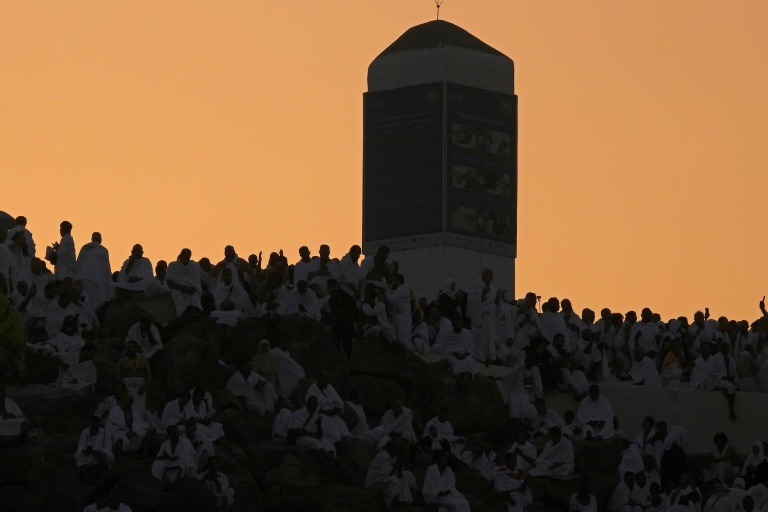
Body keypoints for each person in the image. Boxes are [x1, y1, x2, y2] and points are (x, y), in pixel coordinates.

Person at [365, 441, 416, 506]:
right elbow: (389, 473)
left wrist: (399, 463)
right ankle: (393, 505)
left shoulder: (394, 457)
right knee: (393, 480)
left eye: (397, 448)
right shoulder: (382, 456)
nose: (396, 450)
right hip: (374, 482)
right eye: (394, 448)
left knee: (406, 474)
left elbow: (399, 475)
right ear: (388, 448)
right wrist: (397, 462)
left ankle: (405, 501)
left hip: (384, 479)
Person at [304, 372, 350, 443]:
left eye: (328, 380)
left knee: (341, 425)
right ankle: (336, 441)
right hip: (319, 414)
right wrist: (324, 412)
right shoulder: (312, 390)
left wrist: (336, 410)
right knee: (330, 429)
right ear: (319, 379)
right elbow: (309, 407)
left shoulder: (329, 387)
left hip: (332, 414)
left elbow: (338, 401)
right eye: (324, 380)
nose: (326, 383)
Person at [467, 268, 501, 363]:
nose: (490, 279)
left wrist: (498, 297)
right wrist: (482, 295)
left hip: (490, 315)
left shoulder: (493, 286)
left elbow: (493, 299)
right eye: (489, 276)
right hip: (481, 316)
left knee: (490, 337)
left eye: (491, 277)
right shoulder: (476, 285)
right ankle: (481, 357)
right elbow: (471, 300)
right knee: (481, 337)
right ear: (484, 276)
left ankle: (490, 357)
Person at [74, 232, 113, 311]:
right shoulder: (103, 250)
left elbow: (78, 263)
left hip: (83, 276)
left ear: (92, 239)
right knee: (94, 300)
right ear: (100, 240)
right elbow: (107, 267)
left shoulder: (84, 247)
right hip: (96, 278)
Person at [114, 340, 152, 412]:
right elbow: (117, 376)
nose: (129, 349)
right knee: (128, 409)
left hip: (140, 388)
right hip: (127, 388)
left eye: (131, 347)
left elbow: (148, 376)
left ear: (136, 348)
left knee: (140, 410)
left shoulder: (144, 360)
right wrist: (122, 390)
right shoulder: (122, 361)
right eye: (127, 347)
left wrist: (144, 388)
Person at [75, 415, 114, 480]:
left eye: (96, 423)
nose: (94, 424)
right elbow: (81, 445)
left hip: (101, 454)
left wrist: (99, 451)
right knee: (77, 455)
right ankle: (85, 477)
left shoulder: (105, 432)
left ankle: (96, 474)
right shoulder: (85, 432)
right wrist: (85, 451)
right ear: (90, 423)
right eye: (93, 423)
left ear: (99, 423)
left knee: (104, 455)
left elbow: (108, 447)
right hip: (89, 455)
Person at [166, 248, 203, 316]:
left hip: (192, 292)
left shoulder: (194, 266)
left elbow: (197, 282)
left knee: (197, 308)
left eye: (188, 256)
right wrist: (183, 288)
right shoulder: (172, 265)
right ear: (181, 255)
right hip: (178, 290)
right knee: (181, 308)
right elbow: (169, 282)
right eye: (185, 256)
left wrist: (191, 289)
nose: (186, 258)